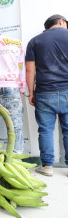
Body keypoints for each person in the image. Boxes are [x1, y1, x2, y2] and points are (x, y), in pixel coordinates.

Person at [26, 14, 68, 176]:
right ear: (61, 22)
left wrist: (31, 93)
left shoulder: (35, 41)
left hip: (44, 92)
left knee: (45, 130)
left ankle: (47, 166)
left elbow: (30, 70)